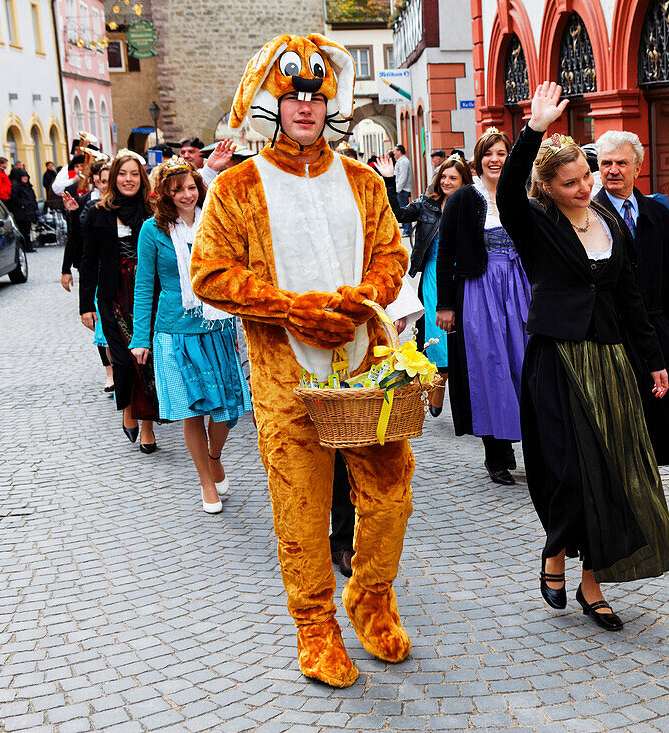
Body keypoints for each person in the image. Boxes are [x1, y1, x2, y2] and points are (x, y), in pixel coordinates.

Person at [191, 33, 414, 688]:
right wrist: (290, 308)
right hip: (286, 377)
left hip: (364, 365)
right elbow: (208, 273)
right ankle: (315, 627)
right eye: (294, 97)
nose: (307, 107)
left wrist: (364, 296)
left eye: (316, 96)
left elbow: (392, 256)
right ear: (273, 105)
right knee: (302, 509)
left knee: (391, 493)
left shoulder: (364, 180)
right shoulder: (236, 188)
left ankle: (371, 595)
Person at [498, 83, 669, 632]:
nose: (583, 188)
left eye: (587, 177)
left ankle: (592, 584)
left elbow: (630, 300)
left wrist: (654, 361)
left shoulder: (611, 224)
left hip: (611, 360)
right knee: (569, 472)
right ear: (549, 187)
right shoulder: (536, 223)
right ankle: (555, 553)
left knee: (612, 474)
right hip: (557, 360)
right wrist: (533, 128)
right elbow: (508, 192)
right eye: (570, 182)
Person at [129, 157, 252, 514]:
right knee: (192, 410)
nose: (187, 194)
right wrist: (140, 338)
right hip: (175, 329)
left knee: (228, 410)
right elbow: (143, 286)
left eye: (191, 186)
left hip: (217, 326)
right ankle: (204, 480)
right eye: (177, 189)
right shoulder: (152, 231)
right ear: (165, 194)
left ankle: (214, 456)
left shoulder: (214, 222)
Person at [437, 127, 530, 485]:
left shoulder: (521, 195)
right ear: (479, 159)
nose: (495, 160)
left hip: (519, 288)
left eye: (502, 153)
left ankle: (530, 445)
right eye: (489, 153)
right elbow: (445, 253)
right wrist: (446, 305)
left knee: (523, 365)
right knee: (489, 367)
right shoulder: (463, 198)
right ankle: (496, 454)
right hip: (479, 290)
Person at [594, 130, 669, 466]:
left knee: (656, 421)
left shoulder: (658, 213)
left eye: (622, 163)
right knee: (617, 419)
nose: (613, 170)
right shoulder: (589, 215)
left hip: (657, 328)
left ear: (638, 168)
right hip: (611, 333)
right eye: (606, 163)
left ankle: (648, 483)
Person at [79, 150, 161, 453]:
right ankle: (127, 408)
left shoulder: (152, 211)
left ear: (142, 178)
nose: (129, 179)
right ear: (114, 178)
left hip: (147, 295)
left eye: (134, 174)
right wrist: (85, 305)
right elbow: (88, 261)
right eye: (123, 174)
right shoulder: (98, 213)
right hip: (112, 295)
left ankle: (149, 426)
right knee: (124, 361)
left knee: (147, 361)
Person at [380, 154, 472, 415]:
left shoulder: (472, 205)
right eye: (443, 176)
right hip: (433, 276)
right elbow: (396, 214)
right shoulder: (426, 205)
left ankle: (468, 398)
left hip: (465, 277)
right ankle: (436, 392)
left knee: (465, 338)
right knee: (438, 339)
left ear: (464, 181)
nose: (445, 181)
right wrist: (390, 181)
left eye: (452, 177)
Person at [62, 161, 115, 393]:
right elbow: (75, 239)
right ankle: (110, 371)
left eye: (108, 181)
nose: (104, 185)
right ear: (95, 180)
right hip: (95, 273)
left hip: (118, 273)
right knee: (101, 326)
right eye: (101, 181)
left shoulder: (127, 205)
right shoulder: (86, 204)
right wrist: (65, 269)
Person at [8, 168, 38, 252]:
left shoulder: (28, 186)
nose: (25, 178)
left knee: (28, 230)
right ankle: (24, 246)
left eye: (26, 176)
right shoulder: (16, 186)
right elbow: (15, 199)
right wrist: (22, 204)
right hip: (21, 213)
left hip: (29, 211)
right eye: (23, 176)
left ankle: (29, 246)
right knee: (23, 230)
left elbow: (32, 197)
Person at [392, 144, 413, 234]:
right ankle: (405, 226)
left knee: (404, 209)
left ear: (399, 151)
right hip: (401, 189)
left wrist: (397, 189)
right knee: (402, 208)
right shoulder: (401, 161)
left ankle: (408, 229)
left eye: (395, 151)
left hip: (403, 189)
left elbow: (402, 177)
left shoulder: (404, 161)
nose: (394, 153)